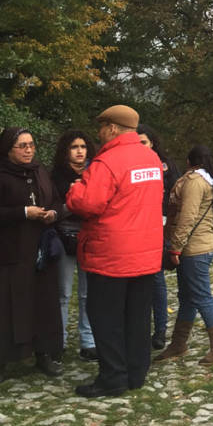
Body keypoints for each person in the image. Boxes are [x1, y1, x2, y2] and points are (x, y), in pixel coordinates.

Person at [66, 104, 163, 397]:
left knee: (106, 318)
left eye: (101, 127)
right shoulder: (151, 159)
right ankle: (136, 372)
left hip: (111, 252)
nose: (99, 133)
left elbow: (87, 203)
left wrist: (74, 189)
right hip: (145, 252)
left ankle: (113, 377)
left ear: (112, 128)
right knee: (137, 316)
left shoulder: (107, 162)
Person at [0, 127, 63, 384]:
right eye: (22, 146)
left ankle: (43, 354)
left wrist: (52, 214)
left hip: (38, 252)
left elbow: (56, 200)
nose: (28, 150)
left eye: (31, 145)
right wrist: (23, 212)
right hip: (6, 253)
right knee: (1, 308)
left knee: (41, 304)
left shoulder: (39, 171)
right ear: (8, 150)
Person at [155, 145, 213, 365]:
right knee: (187, 298)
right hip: (201, 247)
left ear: (189, 162)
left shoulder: (193, 183)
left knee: (201, 297)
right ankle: (178, 344)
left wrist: (175, 247)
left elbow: (187, 217)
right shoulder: (209, 181)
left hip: (193, 250)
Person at [50, 130, 98, 362]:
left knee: (88, 293)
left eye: (83, 146)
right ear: (65, 151)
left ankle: (88, 342)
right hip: (64, 237)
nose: (79, 151)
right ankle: (58, 341)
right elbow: (55, 208)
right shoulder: (56, 176)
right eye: (74, 147)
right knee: (63, 292)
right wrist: (77, 199)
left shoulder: (96, 173)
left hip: (90, 237)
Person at [137, 124, 180, 350]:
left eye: (143, 142)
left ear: (152, 142)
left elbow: (176, 195)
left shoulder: (166, 167)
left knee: (156, 279)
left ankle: (160, 329)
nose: (140, 147)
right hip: (135, 229)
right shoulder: (130, 165)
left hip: (159, 228)